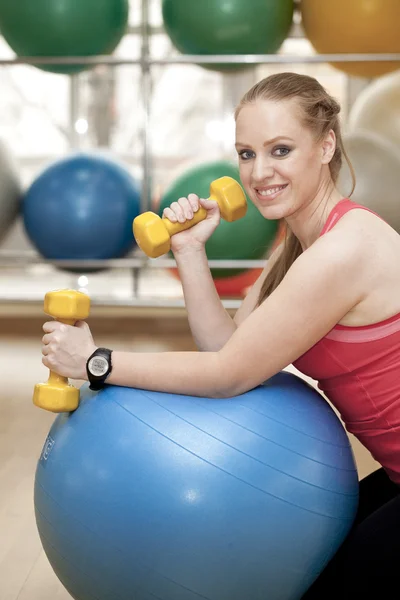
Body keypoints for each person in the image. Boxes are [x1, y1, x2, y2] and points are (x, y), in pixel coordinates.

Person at [41, 72, 400, 598]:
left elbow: (228, 376)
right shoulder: (298, 246)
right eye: (247, 154)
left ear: (326, 146)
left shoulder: (345, 249)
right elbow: (227, 347)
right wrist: (189, 250)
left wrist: (98, 361)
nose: (260, 172)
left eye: (281, 149)